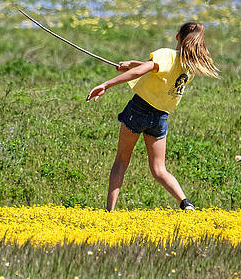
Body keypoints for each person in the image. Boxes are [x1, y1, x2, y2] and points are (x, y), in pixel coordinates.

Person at [87, 22, 219, 212]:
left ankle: (110, 211)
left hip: (138, 110)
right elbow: (157, 70)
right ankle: (185, 203)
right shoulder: (189, 67)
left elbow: (146, 70)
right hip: (160, 119)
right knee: (159, 170)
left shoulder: (166, 55)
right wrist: (132, 65)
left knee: (121, 161)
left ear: (177, 37)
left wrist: (105, 85)